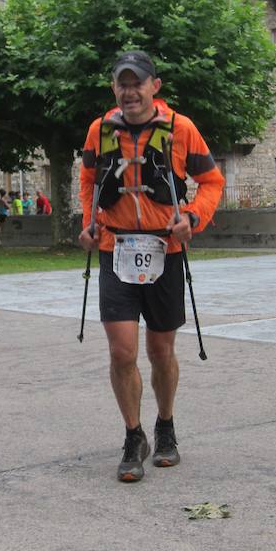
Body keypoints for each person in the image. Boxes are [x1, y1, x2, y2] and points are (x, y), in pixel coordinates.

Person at [78, 50, 225, 483]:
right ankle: (132, 435)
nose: (129, 91)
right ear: (114, 89)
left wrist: (194, 217)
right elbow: (88, 180)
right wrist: (88, 222)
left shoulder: (182, 129)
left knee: (161, 351)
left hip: (166, 254)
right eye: (122, 84)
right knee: (121, 351)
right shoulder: (99, 131)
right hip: (114, 250)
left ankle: (165, 426)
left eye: (137, 83)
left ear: (153, 86)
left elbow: (212, 182)